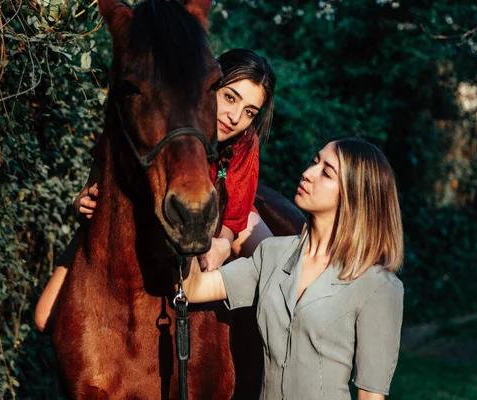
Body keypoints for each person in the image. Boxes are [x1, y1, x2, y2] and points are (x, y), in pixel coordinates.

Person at [35, 48, 276, 332]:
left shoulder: (245, 142)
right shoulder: (163, 115)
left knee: (275, 263)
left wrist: (222, 243)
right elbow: (98, 176)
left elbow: (234, 214)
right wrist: (83, 203)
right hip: (156, 211)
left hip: (223, 213)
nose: (235, 117)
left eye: (249, 112)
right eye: (229, 97)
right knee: (44, 318)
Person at [181, 137, 405, 400]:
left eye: (326, 173)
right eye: (314, 162)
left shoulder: (378, 287)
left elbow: (370, 396)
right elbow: (193, 288)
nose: (308, 174)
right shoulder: (273, 254)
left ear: (355, 195)